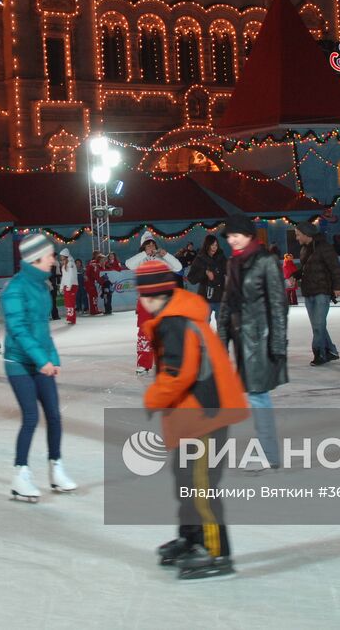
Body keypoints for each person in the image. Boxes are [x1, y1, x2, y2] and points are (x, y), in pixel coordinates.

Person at [140, 259, 248, 580]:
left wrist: (153, 398)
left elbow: (178, 373)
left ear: (153, 295)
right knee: (185, 481)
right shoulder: (178, 317)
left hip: (206, 417)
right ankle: (192, 539)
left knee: (201, 487)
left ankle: (216, 553)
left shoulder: (175, 322)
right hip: (194, 416)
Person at [2, 233, 75, 502]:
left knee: (54, 415)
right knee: (31, 416)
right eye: (50, 256)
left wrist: (52, 358)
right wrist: (40, 359)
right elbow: (18, 330)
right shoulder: (15, 288)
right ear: (36, 259)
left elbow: (44, 329)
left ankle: (56, 468)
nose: (54, 260)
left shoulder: (43, 287)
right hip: (18, 362)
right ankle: (20, 475)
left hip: (40, 361)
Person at [219, 215, 287, 471]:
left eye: (237, 235)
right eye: (229, 236)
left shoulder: (266, 262)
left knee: (258, 396)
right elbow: (227, 302)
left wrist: (278, 345)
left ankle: (269, 454)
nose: (232, 239)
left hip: (261, 338)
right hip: (241, 339)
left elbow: (279, 306)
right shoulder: (233, 262)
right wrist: (221, 341)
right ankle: (267, 452)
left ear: (249, 235)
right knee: (256, 395)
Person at [126, 231, 183, 375]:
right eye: (148, 245)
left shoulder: (162, 259)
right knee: (144, 333)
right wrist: (145, 253)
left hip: (162, 302)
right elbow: (128, 264)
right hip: (145, 302)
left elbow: (178, 267)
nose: (151, 246)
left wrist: (166, 255)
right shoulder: (140, 260)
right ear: (143, 247)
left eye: (153, 244)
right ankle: (143, 364)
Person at [292, 221, 340, 366]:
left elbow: (335, 268)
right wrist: (296, 274)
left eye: (298, 235)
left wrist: (338, 287)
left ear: (307, 234)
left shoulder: (324, 248)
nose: (296, 238)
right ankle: (331, 351)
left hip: (322, 291)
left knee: (318, 324)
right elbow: (307, 268)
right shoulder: (304, 249)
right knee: (317, 325)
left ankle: (319, 353)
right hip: (308, 291)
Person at [185, 234, 227, 326]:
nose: (214, 248)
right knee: (204, 326)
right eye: (212, 245)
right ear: (207, 245)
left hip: (220, 297)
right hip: (206, 297)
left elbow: (227, 271)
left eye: (216, 245)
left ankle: (220, 340)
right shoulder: (200, 259)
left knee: (222, 326)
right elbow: (191, 278)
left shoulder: (221, 257)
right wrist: (205, 273)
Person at [58, 248, 79, 326]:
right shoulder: (64, 265)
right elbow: (64, 277)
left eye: (61, 256)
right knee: (67, 303)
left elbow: (71, 276)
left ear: (65, 255)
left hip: (72, 285)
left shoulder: (71, 264)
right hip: (67, 286)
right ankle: (69, 318)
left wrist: (69, 286)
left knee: (70, 303)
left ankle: (71, 319)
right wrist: (61, 286)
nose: (60, 257)